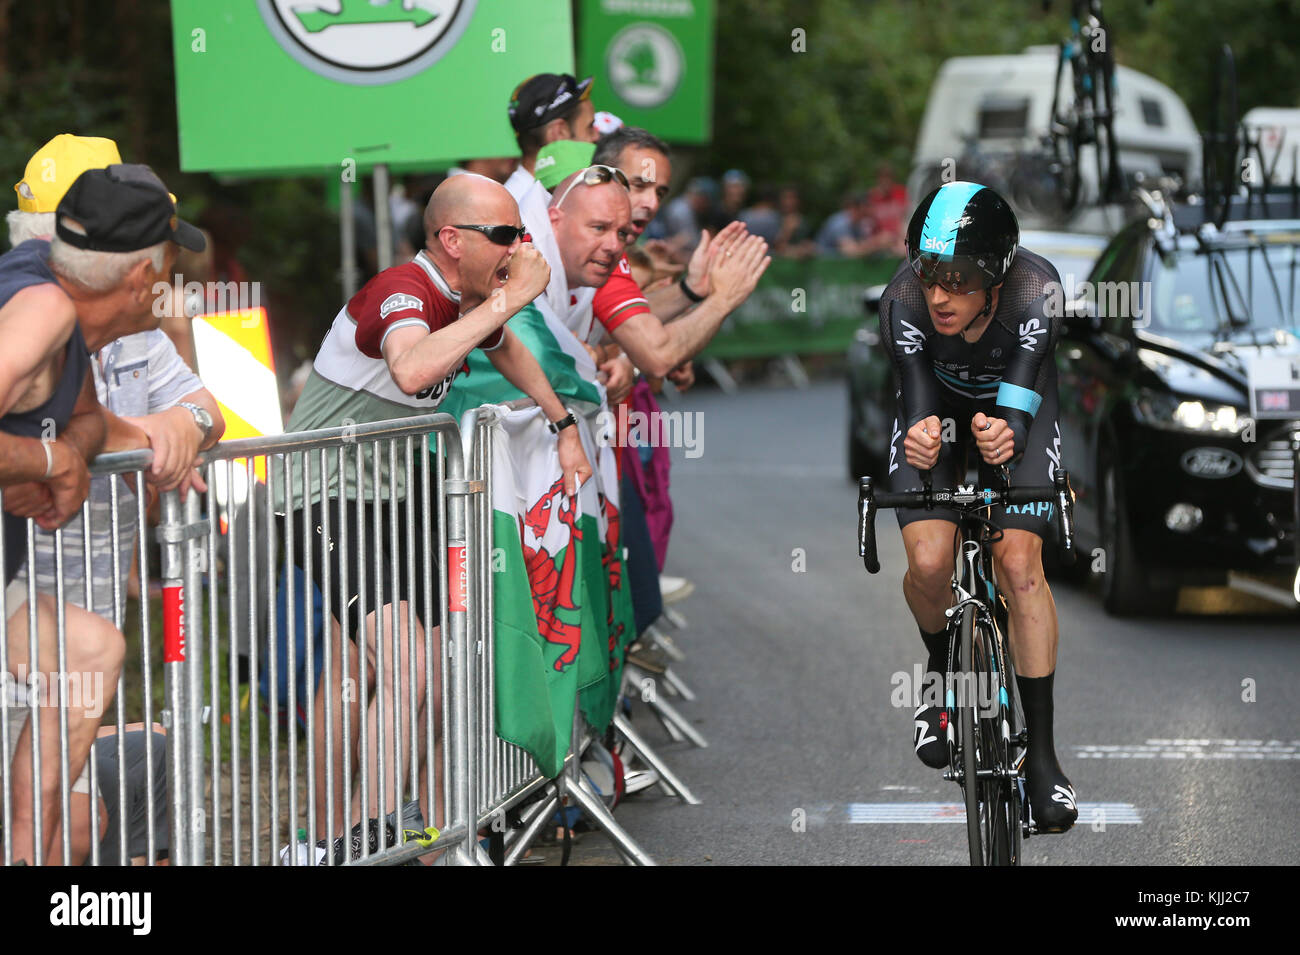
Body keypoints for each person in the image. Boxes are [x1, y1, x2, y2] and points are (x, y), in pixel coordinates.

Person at [284, 173, 592, 852]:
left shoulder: (464, 297)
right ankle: (358, 838)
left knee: (430, 666)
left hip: (391, 492)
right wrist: (507, 299)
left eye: (522, 232)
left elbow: (505, 348)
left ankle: (388, 828)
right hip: (327, 491)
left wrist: (563, 420)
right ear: (452, 240)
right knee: (405, 668)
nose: (519, 246)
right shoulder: (404, 288)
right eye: (506, 235)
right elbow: (413, 369)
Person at [1, 161, 206, 863]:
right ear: (143, 280)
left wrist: (163, 428)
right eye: (174, 265)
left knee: (92, 647)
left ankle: (27, 854)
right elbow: (58, 446)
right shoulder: (46, 312)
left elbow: (87, 423)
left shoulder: (63, 303)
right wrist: (43, 464)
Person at [879, 181, 1077, 833]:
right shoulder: (903, 299)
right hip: (935, 414)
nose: (939, 295)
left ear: (995, 279)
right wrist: (920, 433)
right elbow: (914, 401)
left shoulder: (1034, 290)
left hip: (1016, 411)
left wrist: (1006, 434)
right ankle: (940, 675)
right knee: (931, 558)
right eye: (932, 273)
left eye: (960, 280)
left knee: (1019, 564)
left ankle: (1043, 758)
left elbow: (1019, 404)